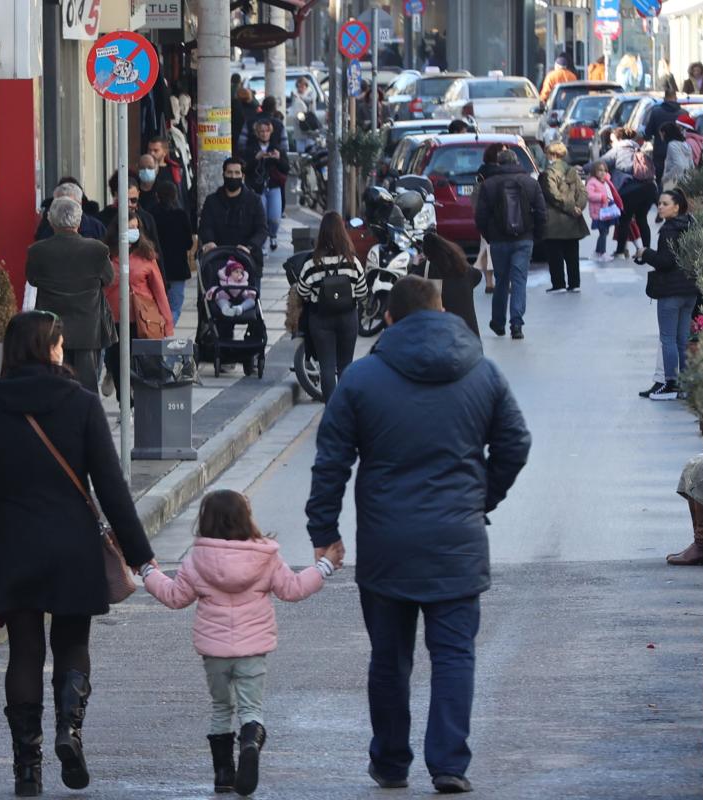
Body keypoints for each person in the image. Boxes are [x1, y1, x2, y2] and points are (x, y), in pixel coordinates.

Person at [306, 275, 531, 795]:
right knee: (454, 655)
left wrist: (324, 530)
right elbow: (515, 442)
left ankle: (389, 761)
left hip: (387, 546)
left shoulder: (362, 379)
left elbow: (331, 462)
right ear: (443, 310)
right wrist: (482, 497)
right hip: (458, 540)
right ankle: (449, 763)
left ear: (389, 318)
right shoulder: (483, 372)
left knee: (389, 657)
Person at [0, 311, 155, 797]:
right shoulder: (82, 404)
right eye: (60, 344)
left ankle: (27, 768)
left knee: (24, 651)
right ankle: (70, 729)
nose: (63, 351)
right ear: (48, 349)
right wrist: (139, 554)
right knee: (71, 643)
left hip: (11, 540)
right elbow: (110, 487)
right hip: (72, 543)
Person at [142, 490, 338, 796]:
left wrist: (147, 572)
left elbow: (174, 596)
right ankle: (250, 742)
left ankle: (223, 775)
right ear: (246, 519)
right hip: (252, 650)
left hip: (214, 652)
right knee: (250, 709)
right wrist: (325, 566)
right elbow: (293, 589)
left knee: (221, 708)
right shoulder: (265, 556)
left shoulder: (197, 558)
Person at [25, 197, 115, 393]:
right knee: (87, 385)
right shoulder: (97, 250)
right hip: (88, 328)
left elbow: (32, 280)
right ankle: (86, 420)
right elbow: (108, 279)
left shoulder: (37, 251)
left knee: (53, 383)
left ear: (51, 221)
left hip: (51, 328)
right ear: (79, 221)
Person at [291, 211, 368, 401]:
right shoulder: (352, 262)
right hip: (347, 318)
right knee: (345, 366)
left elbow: (302, 292)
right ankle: (345, 408)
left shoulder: (312, 263)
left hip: (321, 319)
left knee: (326, 366)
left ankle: (331, 408)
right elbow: (362, 292)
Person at [473, 150, 546, 340]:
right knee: (519, 281)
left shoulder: (488, 185)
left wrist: (489, 236)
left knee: (501, 281)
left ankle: (498, 322)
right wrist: (536, 236)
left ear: (498, 163)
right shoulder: (530, 182)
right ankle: (516, 324)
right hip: (524, 239)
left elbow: (480, 216)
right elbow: (541, 212)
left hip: (498, 240)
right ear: (516, 162)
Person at [634, 189, 699, 401]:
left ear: (676, 207)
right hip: (690, 291)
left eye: (665, 204)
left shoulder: (669, 230)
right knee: (682, 339)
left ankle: (670, 383)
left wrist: (645, 253)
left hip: (671, 292)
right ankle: (685, 384)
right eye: (659, 203)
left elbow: (666, 262)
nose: (660, 207)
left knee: (668, 339)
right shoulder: (691, 224)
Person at [102, 211, 173, 396]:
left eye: (136, 228)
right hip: (115, 318)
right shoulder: (107, 255)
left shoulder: (146, 255)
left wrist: (167, 324)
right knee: (117, 362)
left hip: (142, 318)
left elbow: (159, 292)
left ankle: (135, 399)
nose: (133, 231)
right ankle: (124, 402)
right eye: (129, 228)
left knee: (139, 362)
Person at [597, 128, 658, 257]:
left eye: (612, 140)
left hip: (631, 191)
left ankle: (620, 251)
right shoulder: (638, 148)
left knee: (624, 221)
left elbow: (600, 163)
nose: (611, 143)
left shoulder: (618, 149)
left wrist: (584, 168)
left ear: (619, 139)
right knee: (642, 219)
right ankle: (646, 251)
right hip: (649, 188)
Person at [199, 157, 269, 268]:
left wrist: (250, 247)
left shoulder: (254, 200)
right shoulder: (212, 200)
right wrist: (209, 242)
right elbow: (205, 226)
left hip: (248, 261)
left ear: (243, 176)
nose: (233, 176)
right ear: (223, 175)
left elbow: (262, 230)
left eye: (237, 173)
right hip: (218, 260)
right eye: (229, 172)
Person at [540, 142, 590, 294]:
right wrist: (578, 208)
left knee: (555, 254)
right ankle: (575, 283)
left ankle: (559, 284)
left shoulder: (548, 173)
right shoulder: (572, 171)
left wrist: (570, 208)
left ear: (552, 155)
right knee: (572, 254)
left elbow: (553, 195)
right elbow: (583, 193)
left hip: (554, 220)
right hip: (573, 220)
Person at [421, 232, 483, 337]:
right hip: (470, 334)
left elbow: (408, 285)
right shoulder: (462, 267)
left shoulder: (428, 269)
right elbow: (478, 276)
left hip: (444, 334)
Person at [149, 181, 195, 324]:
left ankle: (159, 329)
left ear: (157, 196)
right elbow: (189, 243)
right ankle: (166, 329)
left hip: (155, 267)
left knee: (156, 304)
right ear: (175, 196)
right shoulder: (181, 215)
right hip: (177, 268)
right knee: (175, 307)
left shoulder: (150, 214)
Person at [240, 117, 288, 252]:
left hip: (273, 186)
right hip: (257, 187)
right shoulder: (250, 148)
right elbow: (245, 168)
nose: (264, 134)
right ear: (257, 133)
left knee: (275, 217)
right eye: (261, 131)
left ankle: (273, 235)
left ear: (270, 132)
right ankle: (263, 242)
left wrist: (277, 159)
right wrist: (256, 158)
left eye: (267, 131)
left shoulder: (276, 147)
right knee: (262, 216)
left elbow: (286, 168)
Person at [473, 144, 506, 294]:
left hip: (484, 214)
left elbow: (476, 195)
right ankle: (503, 281)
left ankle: (489, 282)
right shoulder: (502, 172)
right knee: (502, 249)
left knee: (485, 248)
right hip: (500, 215)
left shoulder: (482, 172)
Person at [36, 180, 108, 242]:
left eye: (70, 204)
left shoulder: (96, 228)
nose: (65, 208)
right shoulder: (47, 230)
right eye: (60, 204)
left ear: (80, 203)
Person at [585, 162, 623, 263]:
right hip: (599, 212)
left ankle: (598, 252)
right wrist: (602, 197)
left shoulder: (605, 180)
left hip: (607, 211)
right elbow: (589, 195)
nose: (602, 173)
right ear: (594, 171)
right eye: (600, 170)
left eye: (604, 170)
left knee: (605, 232)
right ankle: (601, 253)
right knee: (603, 232)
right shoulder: (592, 182)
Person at [645, 88, 683, 183]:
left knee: (661, 181)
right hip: (679, 152)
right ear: (676, 98)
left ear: (664, 98)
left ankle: (662, 196)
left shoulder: (656, 112)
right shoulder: (683, 114)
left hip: (660, 154)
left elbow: (648, 133)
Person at [659, 122, 694, 190]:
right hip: (687, 181)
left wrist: (665, 178)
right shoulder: (686, 145)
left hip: (674, 182)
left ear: (664, 133)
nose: (661, 137)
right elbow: (691, 164)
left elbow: (679, 165)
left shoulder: (672, 145)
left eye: (661, 134)